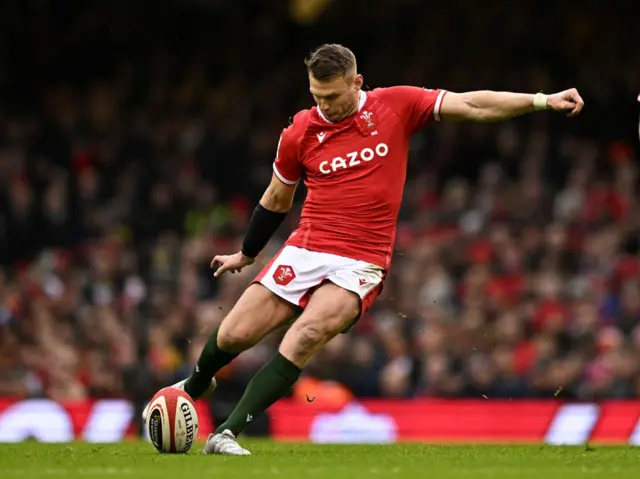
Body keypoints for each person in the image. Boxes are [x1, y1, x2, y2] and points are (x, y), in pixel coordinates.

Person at [143, 44, 584, 455]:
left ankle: (224, 434)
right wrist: (247, 252)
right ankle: (196, 385)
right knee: (235, 335)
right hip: (307, 247)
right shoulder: (300, 131)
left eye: (333, 95)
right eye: (317, 96)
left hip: (362, 259)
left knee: (307, 334)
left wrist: (541, 100)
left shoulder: (396, 105)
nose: (325, 106)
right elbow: (277, 198)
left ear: (357, 83)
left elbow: (471, 104)